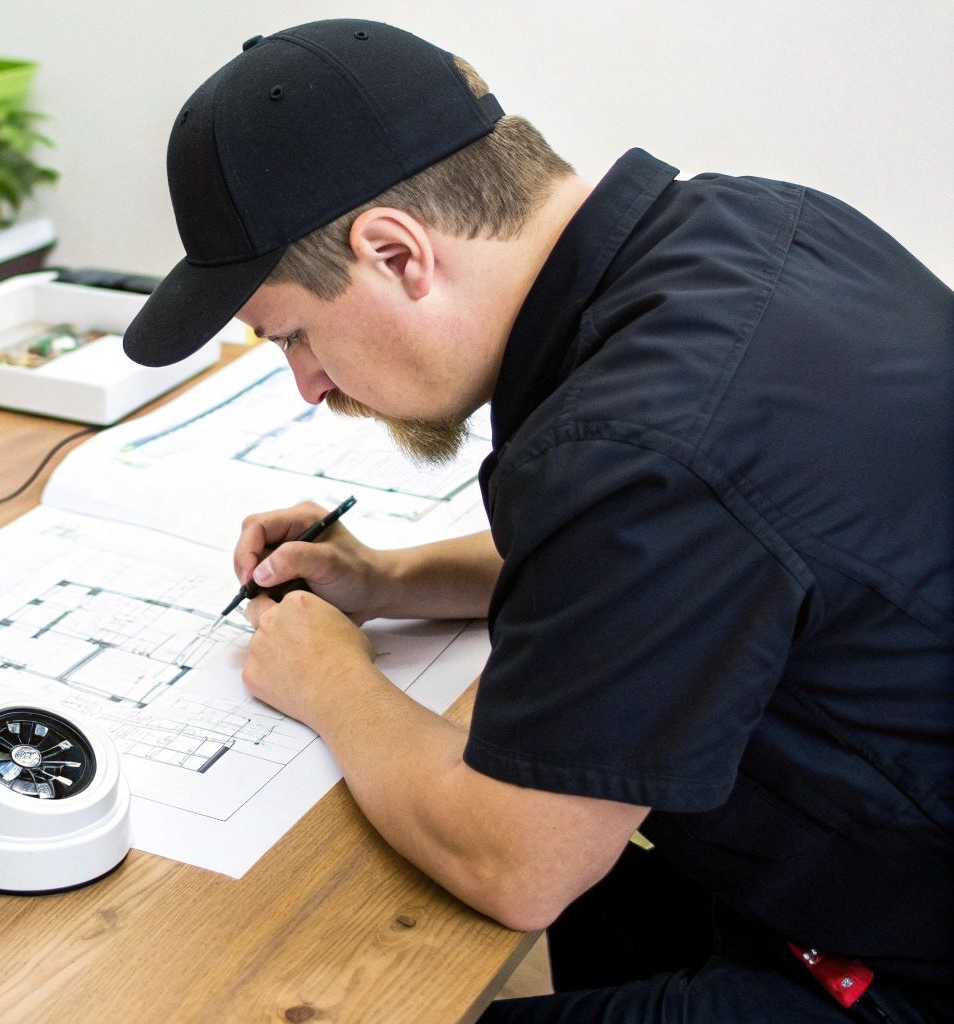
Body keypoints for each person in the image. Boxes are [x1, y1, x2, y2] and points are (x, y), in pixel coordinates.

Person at [121, 19, 953, 1023]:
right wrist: (386, 580)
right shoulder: (746, 229)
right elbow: (661, 567)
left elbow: (514, 861)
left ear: (393, 253)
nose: (304, 383)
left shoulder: (637, 443)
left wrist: (329, 679)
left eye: (292, 333)